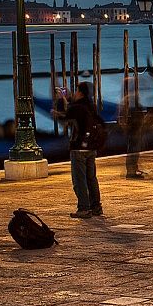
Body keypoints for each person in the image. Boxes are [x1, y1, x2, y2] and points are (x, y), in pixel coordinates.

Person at [60, 82, 104, 217]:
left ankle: (84, 208)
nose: (75, 93)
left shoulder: (77, 107)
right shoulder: (92, 106)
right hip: (91, 147)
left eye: (76, 91)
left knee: (79, 179)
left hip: (78, 148)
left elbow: (65, 117)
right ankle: (96, 206)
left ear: (80, 92)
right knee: (91, 178)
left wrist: (61, 100)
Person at [119, 74, 151, 179]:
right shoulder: (130, 98)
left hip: (134, 127)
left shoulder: (128, 98)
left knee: (134, 149)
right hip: (134, 127)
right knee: (133, 149)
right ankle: (131, 171)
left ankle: (133, 169)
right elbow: (128, 113)